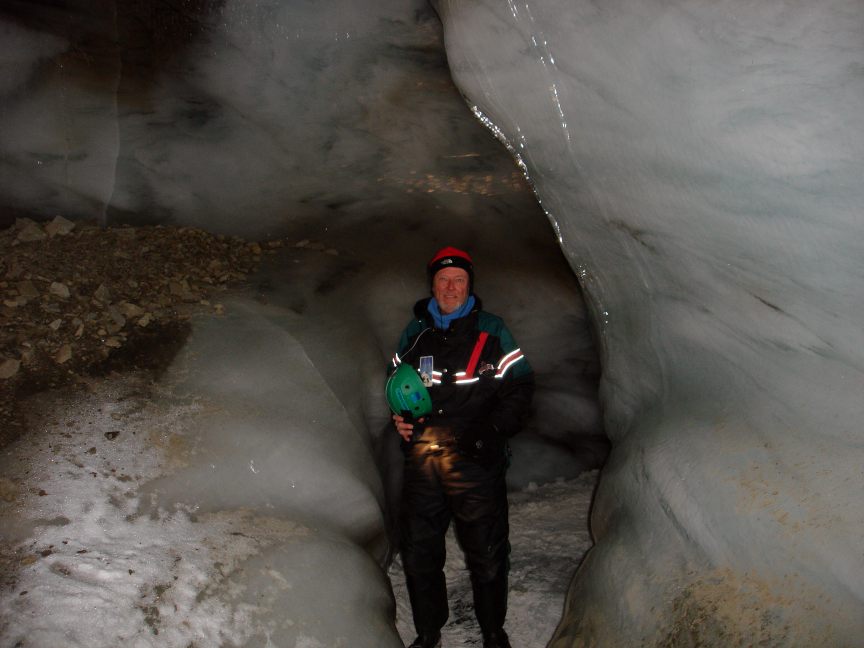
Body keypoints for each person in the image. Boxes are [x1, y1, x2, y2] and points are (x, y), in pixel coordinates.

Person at [389, 247, 534, 648]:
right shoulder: (414, 332)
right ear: (432, 284)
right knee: (419, 550)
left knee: (486, 550)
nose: (450, 287)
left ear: (469, 285)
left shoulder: (492, 331)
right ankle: (428, 630)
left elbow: (520, 388)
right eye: (443, 279)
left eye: (459, 280)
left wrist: (491, 429)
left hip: (476, 458)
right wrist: (399, 417)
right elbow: (396, 384)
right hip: (423, 459)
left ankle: (492, 631)